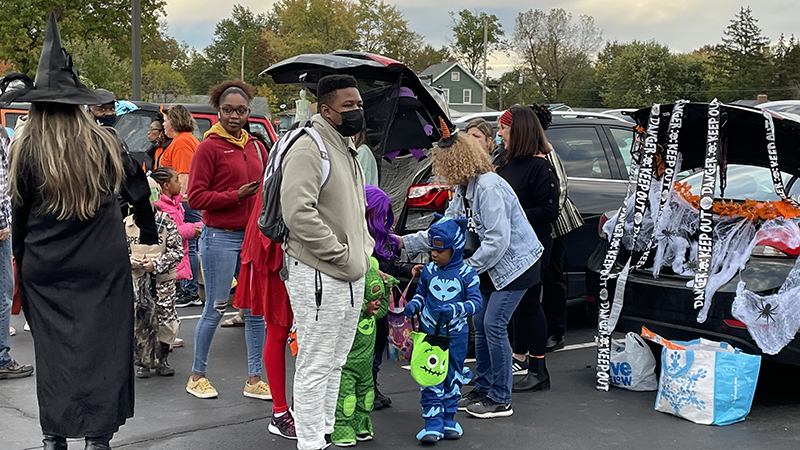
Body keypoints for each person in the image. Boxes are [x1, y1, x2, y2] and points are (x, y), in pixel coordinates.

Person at [2, 13, 157, 450]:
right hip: (100, 265)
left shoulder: (24, 149)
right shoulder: (105, 143)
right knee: (103, 351)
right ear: (77, 102)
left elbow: (19, 214)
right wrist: (146, 233)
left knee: (54, 357)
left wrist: (21, 263)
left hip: (45, 267)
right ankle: (97, 438)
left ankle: (54, 436)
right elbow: (139, 190)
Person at [400, 123, 542, 420]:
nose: (444, 174)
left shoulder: (488, 187)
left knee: (493, 325)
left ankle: (501, 398)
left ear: (458, 162)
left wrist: (464, 271)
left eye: (445, 166)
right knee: (479, 322)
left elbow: (497, 241)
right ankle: (483, 387)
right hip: (493, 265)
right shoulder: (465, 188)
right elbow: (445, 231)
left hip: (516, 265)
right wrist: (403, 242)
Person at [280, 74, 374, 450]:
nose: (356, 111)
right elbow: (298, 213)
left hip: (348, 273)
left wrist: (361, 252)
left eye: (359, 104)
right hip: (319, 274)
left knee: (335, 361)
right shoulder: (309, 147)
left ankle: (325, 433)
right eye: (348, 105)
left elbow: (357, 211)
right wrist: (341, 254)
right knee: (316, 364)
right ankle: (310, 442)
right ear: (326, 109)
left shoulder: (345, 146)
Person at [185, 80, 269, 401]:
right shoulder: (208, 147)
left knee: (255, 311)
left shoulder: (255, 146)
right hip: (219, 237)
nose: (235, 116)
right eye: (228, 110)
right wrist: (236, 196)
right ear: (218, 111)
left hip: (251, 238)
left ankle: (254, 378)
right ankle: (197, 375)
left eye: (242, 110)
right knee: (216, 307)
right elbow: (196, 197)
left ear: (249, 111)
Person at [495, 106, 559, 392]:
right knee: (517, 308)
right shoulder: (505, 161)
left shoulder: (540, 165)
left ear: (518, 130)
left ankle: (538, 368)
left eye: (503, 128)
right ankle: (515, 360)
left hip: (532, 248)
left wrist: (512, 214)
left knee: (531, 305)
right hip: (506, 247)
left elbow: (548, 211)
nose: (499, 134)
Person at [403, 216, 482, 443]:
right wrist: (415, 304)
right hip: (430, 335)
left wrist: (456, 309)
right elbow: (422, 293)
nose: (434, 255)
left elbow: (476, 303)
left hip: (456, 337)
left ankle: (449, 418)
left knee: (453, 377)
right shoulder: (428, 271)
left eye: (440, 250)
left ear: (455, 248)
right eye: (432, 250)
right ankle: (433, 423)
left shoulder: (468, 275)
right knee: (430, 376)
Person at [233, 181, 296, 439]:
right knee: (280, 330)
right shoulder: (288, 157)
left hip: (299, 252)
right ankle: (280, 412)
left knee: (303, 334)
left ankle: (297, 407)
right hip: (279, 252)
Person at [529, 104, 584, 352]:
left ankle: (556, 331)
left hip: (555, 226)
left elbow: (560, 191)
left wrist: (544, 222)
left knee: (553, 277)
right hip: (534, 227)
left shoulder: (548, 153)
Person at [331, 257, 396, 447]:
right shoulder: (354, 314)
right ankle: (341, 428)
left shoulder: (373, 316)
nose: (377, 304)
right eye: (373, 300)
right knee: (347, 400)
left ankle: (361, 425)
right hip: (348, 368)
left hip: (366, 368)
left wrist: (387, 291)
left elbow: (383, 309)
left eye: (379, 299)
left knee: (366, 398)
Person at [126, 178, 183, 378]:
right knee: (140, 321)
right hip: (137, 282)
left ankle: (162, 359)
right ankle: (143, 361)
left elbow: (177, 252)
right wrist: (131, 261)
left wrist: (156, 264)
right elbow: (117, 252)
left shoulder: (166, 223)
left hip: (162, 281)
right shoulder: (127, 225)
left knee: (166, 319)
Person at [151, 166, 202, 350]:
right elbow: (170, 231)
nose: (180, 184)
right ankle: (163, 339)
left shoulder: (175, 203)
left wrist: (196, 226)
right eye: (176, 180)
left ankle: (168, 335)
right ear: (165, 186)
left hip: (174, 257)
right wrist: (194, 229)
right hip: (165, 260)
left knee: (168, 301)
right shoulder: (162, 207)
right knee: (162, 302)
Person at [159, 105, 203, 308]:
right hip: (184, 200)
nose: (163, 124)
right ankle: (187, 287)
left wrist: (177, 201)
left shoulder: (183, 142)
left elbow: (183, 175)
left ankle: (189, 289)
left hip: (184, 201)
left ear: (174, 120)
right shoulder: (182, 140)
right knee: (184, 244)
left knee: (187, 244)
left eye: (166, 120)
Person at [0, 113, 32, 381]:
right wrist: (3, 222)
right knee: (4, 290)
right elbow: (1, 184)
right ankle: (1, 356)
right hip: (1, 226)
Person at [365, 185, 399, 410]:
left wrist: (409, 271)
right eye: (382, 211)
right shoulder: (362, 242)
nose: (386, 217)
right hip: (367, 306)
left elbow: (393, 267)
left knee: (378, 347)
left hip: (383, 306)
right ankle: (366, 389)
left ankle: (372, 386)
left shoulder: (386, 239)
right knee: (366, 347)